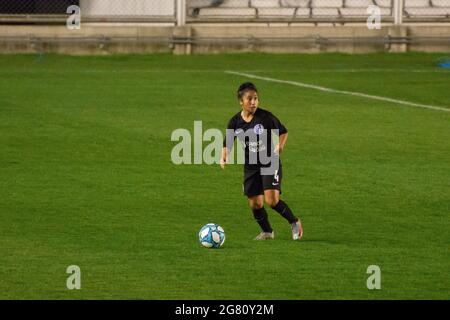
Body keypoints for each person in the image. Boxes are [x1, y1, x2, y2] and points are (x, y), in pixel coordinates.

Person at [221, 82, 303, 240]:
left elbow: (283, 131)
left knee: (271, 200)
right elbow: (227, 143)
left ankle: (294, 222)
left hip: (269, 162)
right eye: (249, 99)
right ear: (241, 101)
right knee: (255, 204)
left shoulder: (265, 117)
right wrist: (224, 156)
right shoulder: (234, 122)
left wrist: (280, 146)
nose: (253, 102)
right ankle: (267, 232)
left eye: (256, 98)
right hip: (251, 166)